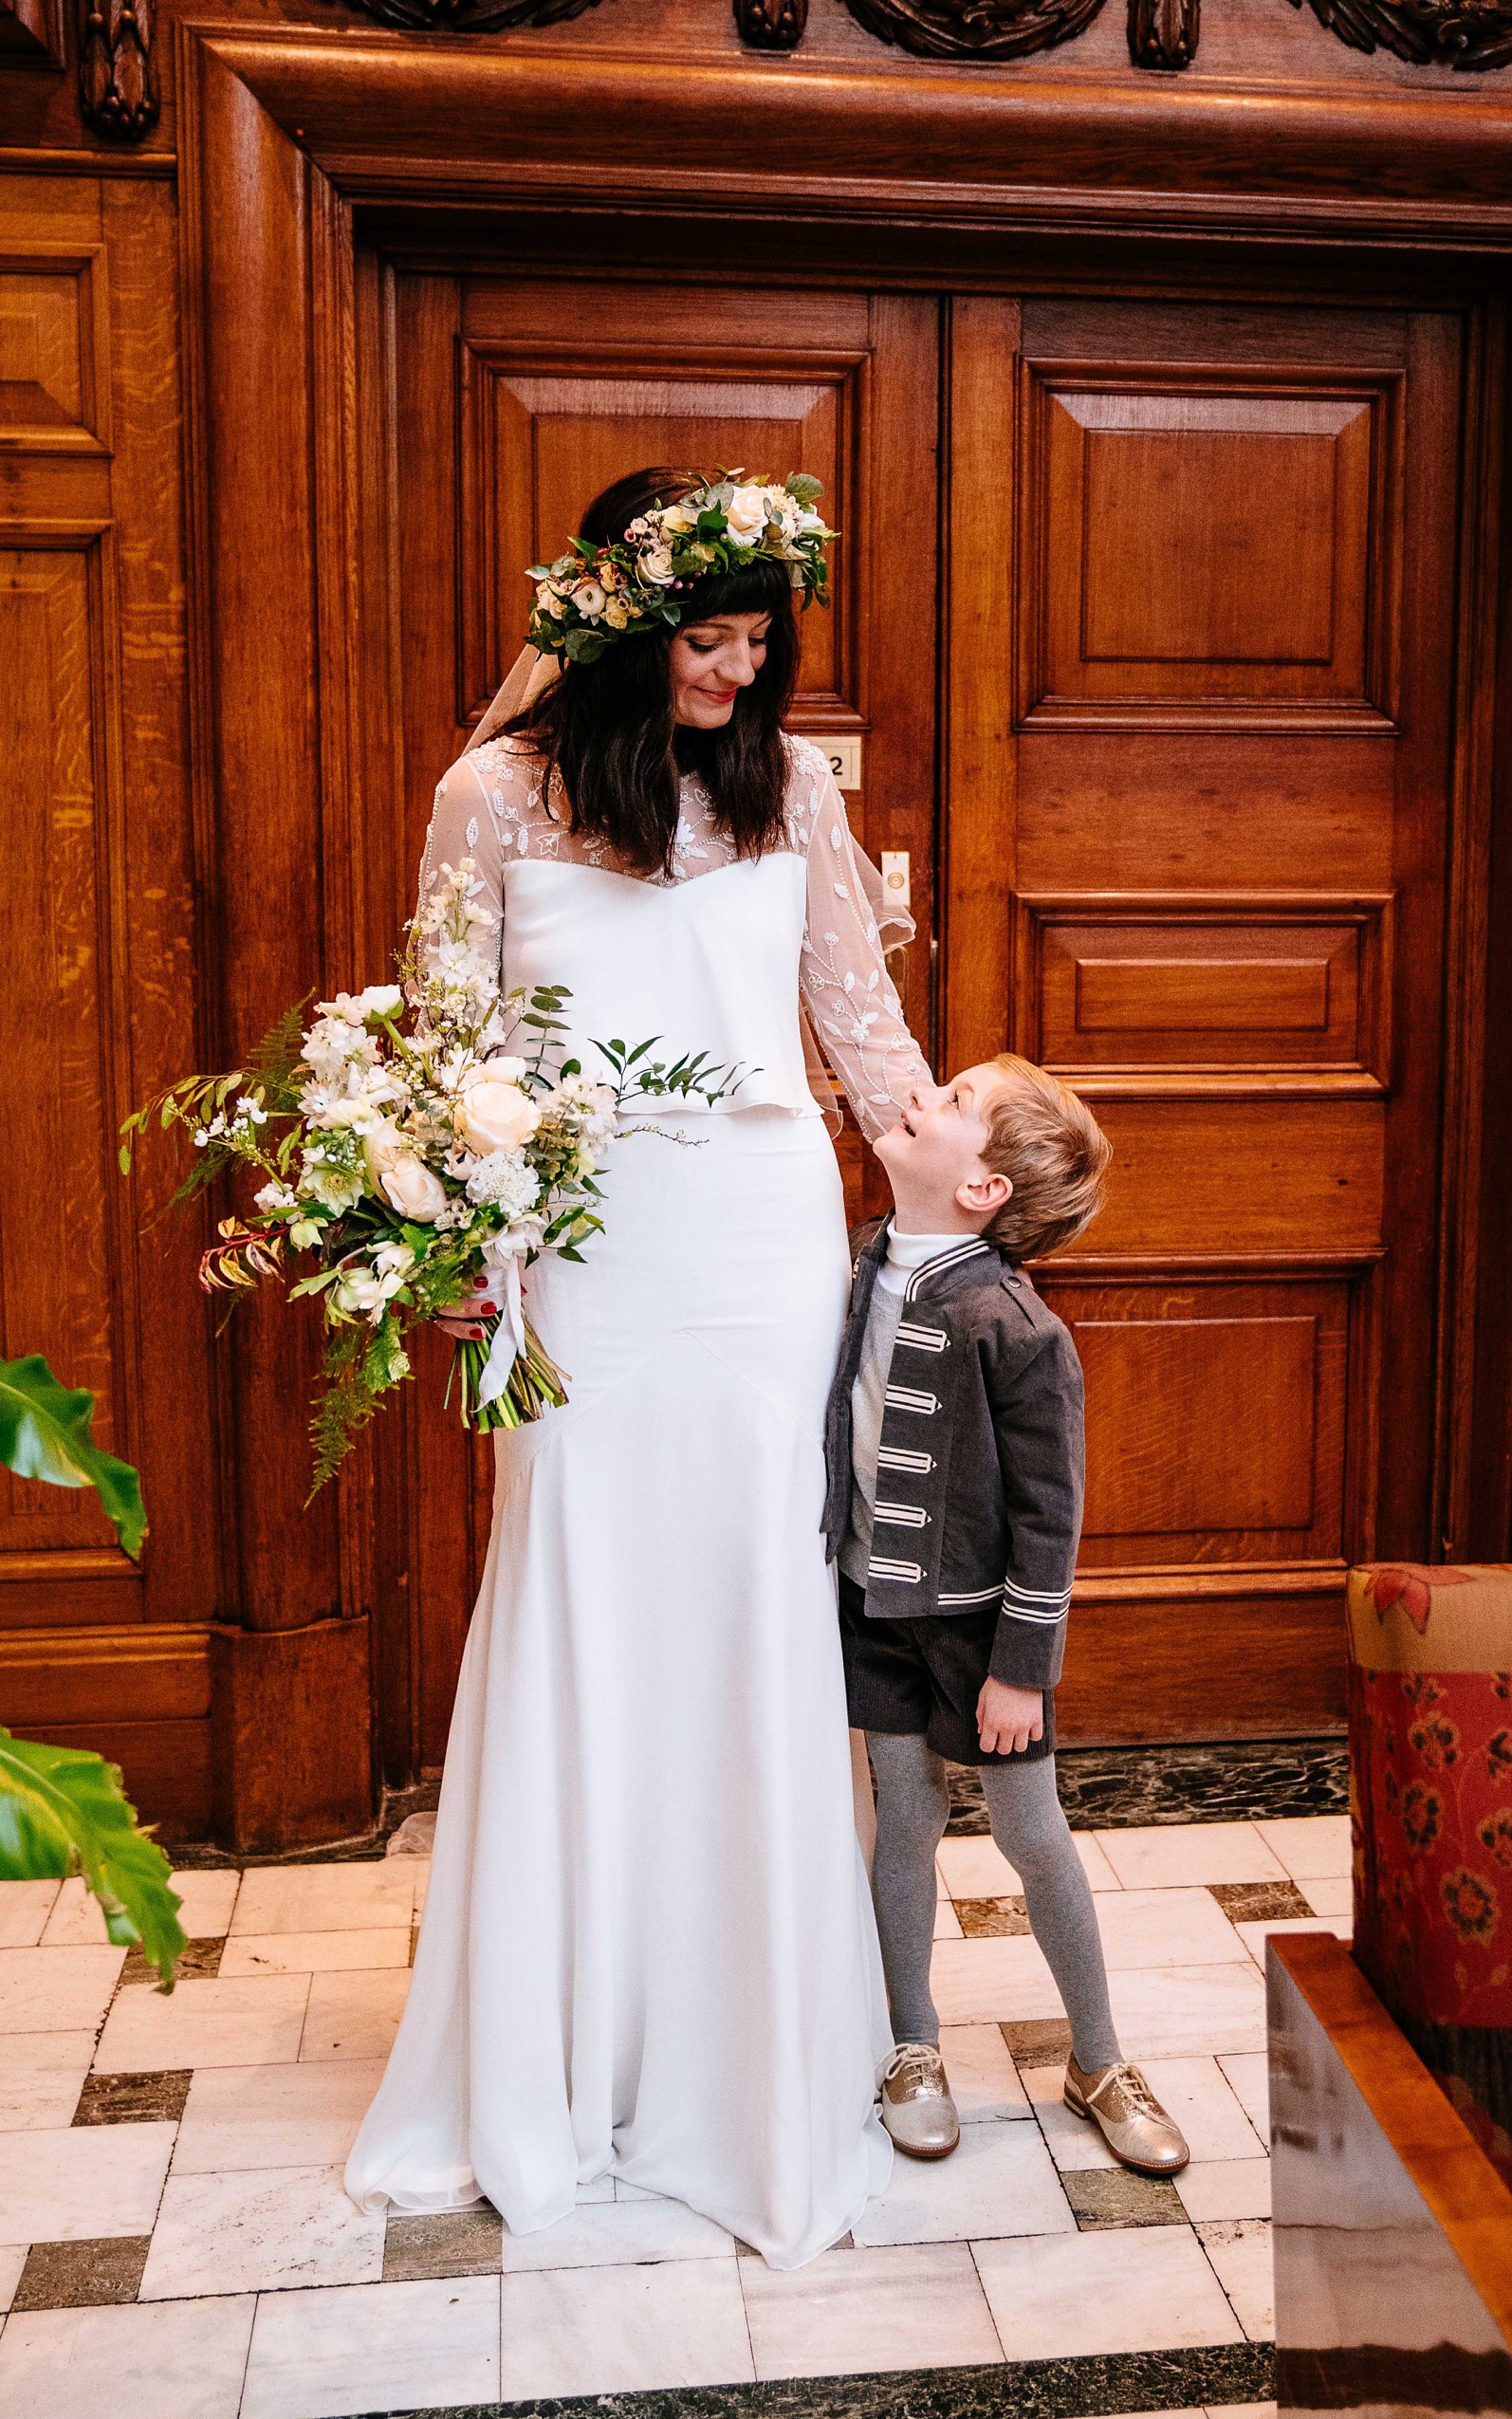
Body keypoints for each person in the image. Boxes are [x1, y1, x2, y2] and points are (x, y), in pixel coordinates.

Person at [344, 468, 931, 2268]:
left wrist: (959, 1215)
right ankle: (561, 2059)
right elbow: (443, 1059)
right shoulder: (487, 797)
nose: (738, 673)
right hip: (588, 1264)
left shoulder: (793, 785)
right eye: (706, 636)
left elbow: (858, 1026)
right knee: (587, 1599)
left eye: (762, 638)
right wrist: (441, 1254)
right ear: (613, 623)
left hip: (762, 1247)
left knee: (760, 1605)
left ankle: (747, 2063)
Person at [824, 1055, 1191, 2175]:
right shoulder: (855, 1271)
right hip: (871, 1610)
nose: (920, 1098)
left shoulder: (1013, 1326)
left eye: (951, 1103)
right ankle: (910, 2045)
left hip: (982, 1634)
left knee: (1032, 1837)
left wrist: (1021, 1667)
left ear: (981, 1188)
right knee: (901, 1826)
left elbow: (1050, 1516)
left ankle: (1097, 2057)